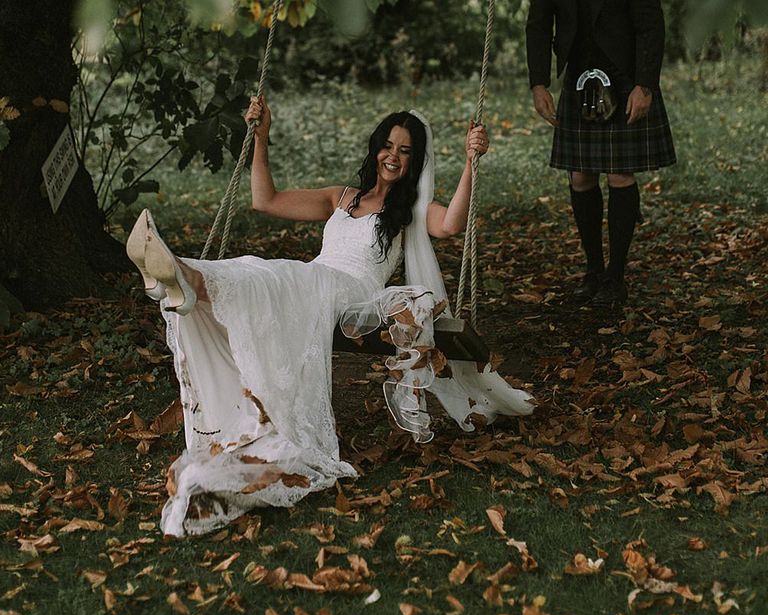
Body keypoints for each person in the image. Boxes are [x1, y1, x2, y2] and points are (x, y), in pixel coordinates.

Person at [126, 97, 534, 537]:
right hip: (315, 279)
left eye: (405, 151)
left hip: (353, 293)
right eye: (388, 146)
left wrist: (472, 162)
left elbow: (451, 224)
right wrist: (261, 138)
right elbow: (265, 200)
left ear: (415, 162)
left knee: (276, 276)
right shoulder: (341, 197)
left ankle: (184, 280)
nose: (393, 157)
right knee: (261, 269)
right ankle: (181, 282)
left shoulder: (410, 211)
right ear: (375, 148)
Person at [526, 0, 676, 306]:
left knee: (619, 174)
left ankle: (615, 276)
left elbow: (650, 22)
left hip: (625, 73)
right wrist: (538, 83)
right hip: (579, 72)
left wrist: (645, 85)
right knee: (580, 177)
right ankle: (594, 271)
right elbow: (539, 23)